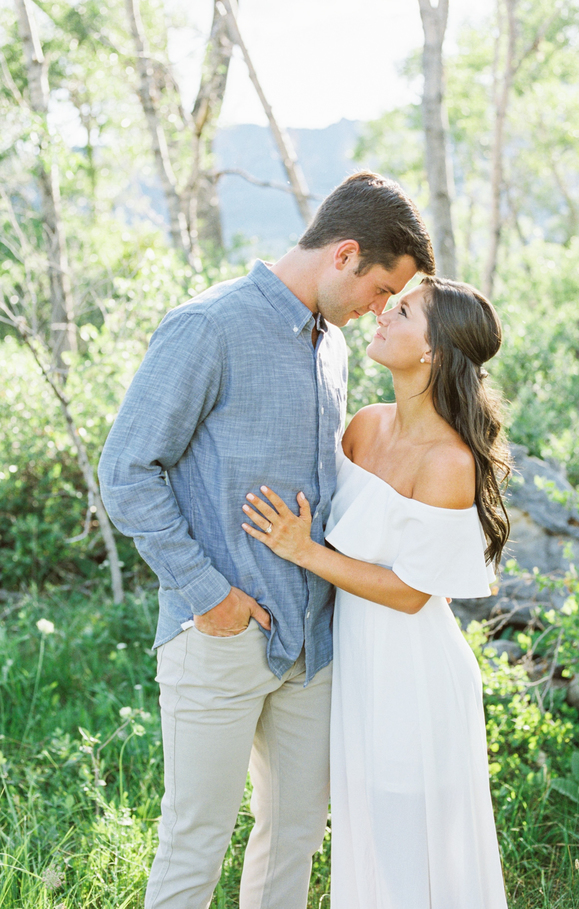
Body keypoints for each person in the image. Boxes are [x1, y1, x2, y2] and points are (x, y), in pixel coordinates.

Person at [97, 171, 435, 909]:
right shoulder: (208, 327)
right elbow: (125, 471)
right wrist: (209, 594)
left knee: (294, 839)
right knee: (197, 841)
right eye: (382, 290)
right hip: (222, 634)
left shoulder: (334, 347)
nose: (382, 311)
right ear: (344, 254)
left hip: (312, 644)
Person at [241, 276, 511, 909]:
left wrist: (304, 551)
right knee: (364, 832)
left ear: (433, 353)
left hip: (413, 674)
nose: (384, 313)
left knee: (406, 838)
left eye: (405, 310)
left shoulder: (449, 461)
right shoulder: (364, 425)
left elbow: (414, 594)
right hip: (354, 660)